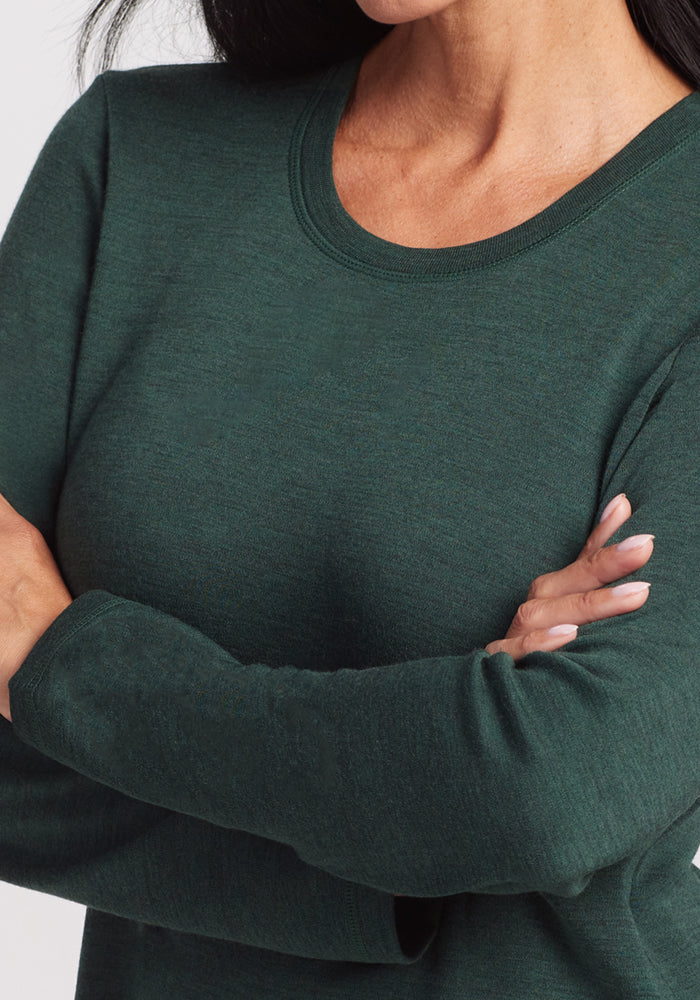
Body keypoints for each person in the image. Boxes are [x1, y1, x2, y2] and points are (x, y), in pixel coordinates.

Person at [0, 0, 697, 997]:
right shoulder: (134, 159)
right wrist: (425, 806)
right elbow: (505, 793)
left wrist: (56, 664)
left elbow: (556, 789)